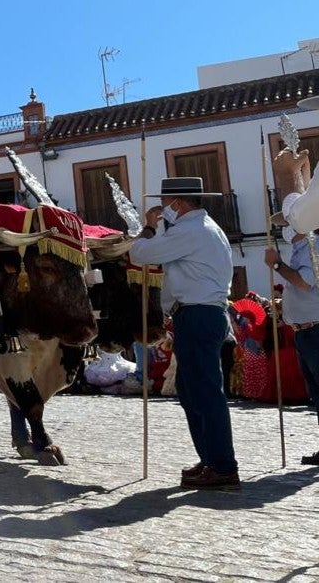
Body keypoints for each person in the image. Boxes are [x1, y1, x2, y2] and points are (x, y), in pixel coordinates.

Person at [130, 177, 238, 490]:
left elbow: (141, 253)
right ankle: (210, 460)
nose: (163, 209)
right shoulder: (203, 229)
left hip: (198, 315)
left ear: (178, 204)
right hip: (199, 314)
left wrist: (149, 228)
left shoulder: (191, 231)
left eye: (166, 204)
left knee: (204, 392)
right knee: (192, 391)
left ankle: (222, 465)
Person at [265, 192, 319, 465]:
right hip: (305, 329)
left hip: (315, 329)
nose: (283, 227)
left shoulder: (313, 247)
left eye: (287, 221)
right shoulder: (301, 248)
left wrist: (276, 264)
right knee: (316, 392)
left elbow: (304, 282)